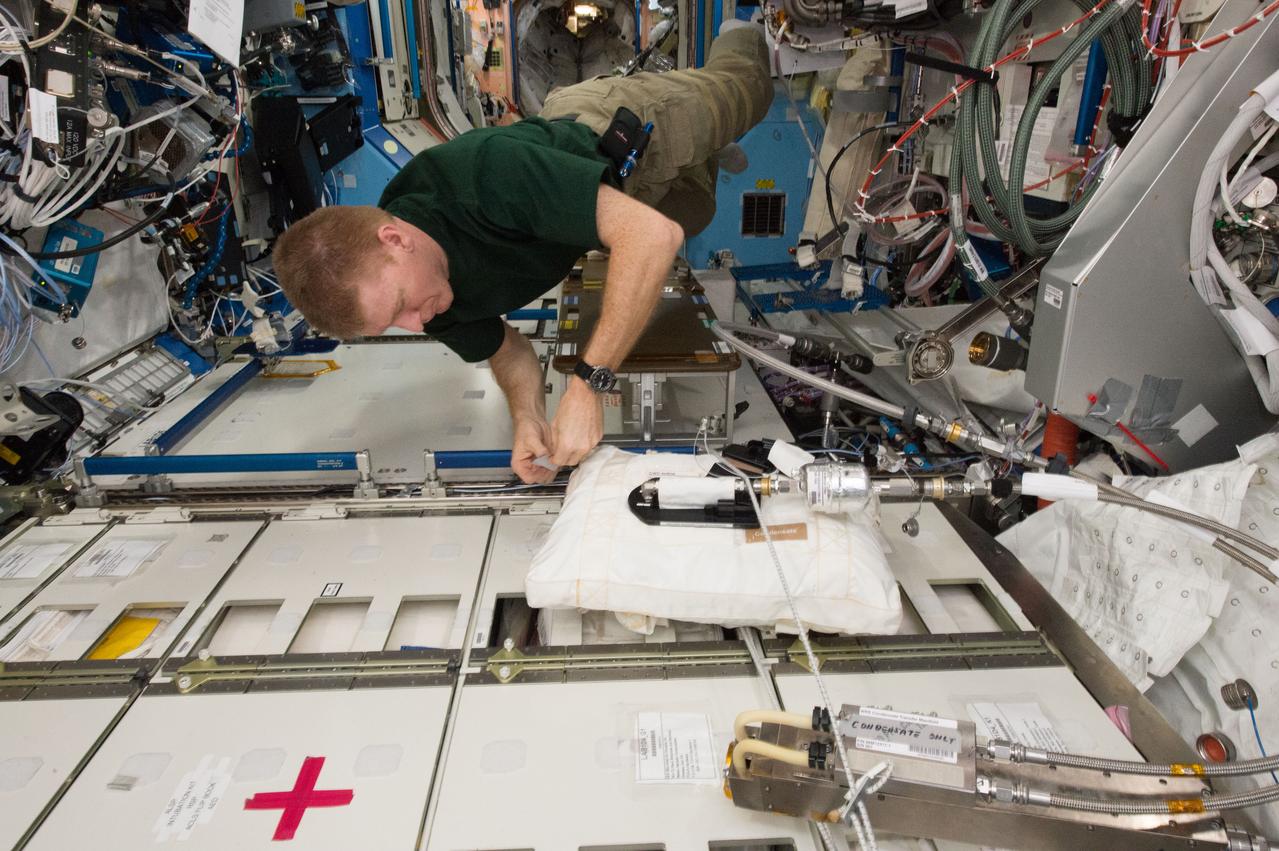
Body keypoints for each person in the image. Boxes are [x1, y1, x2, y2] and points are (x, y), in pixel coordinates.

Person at [272, 25, 772, 484]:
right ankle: (706, 152)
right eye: (393, 324)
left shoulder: (486, 177)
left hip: (620, 131)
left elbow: (649, 240)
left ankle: (731, 47)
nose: (417, 323)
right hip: (613, 208)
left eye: (403, 304)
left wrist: (588, 387)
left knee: (749, 92)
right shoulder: (427, 304)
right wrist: (528, 417)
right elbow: (507, 350)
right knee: (695, 211)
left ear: (395, 239)